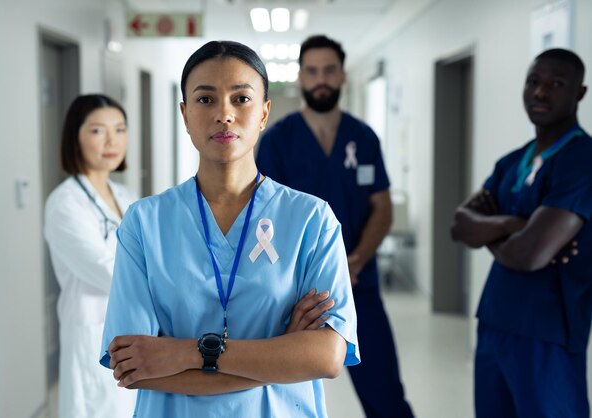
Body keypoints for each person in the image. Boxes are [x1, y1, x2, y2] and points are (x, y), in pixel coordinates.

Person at [99, 40, 360, 417]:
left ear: (264, 113)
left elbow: (327, 356)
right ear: (185, 114)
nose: (224, 113)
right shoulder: (144, 223)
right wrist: (281, 352)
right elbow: (133, 367)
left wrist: (182, 352)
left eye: (241, 99)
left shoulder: (311, 220)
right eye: (206, 100)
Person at [257, 35, 414, 418]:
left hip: (360, 284)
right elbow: (267, 217)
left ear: (342, 75)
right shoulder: (278, 141)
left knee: (386, 393)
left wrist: (354, 261)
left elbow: (382, 208)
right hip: (297, 295)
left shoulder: (363, 138)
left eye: (329, 70)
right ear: (300, 77)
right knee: (284, 396)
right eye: (312, 71)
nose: (320, 79)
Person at [451, 48, 591, 417]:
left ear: (579, 93)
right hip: (495, 320)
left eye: (556, 84)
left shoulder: (582, 161)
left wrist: (495, 233)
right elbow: (459, 225)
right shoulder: (512, 162)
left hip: (549, 332)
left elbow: (529, 256)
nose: (541, 93)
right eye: (533, 82)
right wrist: (518, 227)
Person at [44, 94, 137, 418]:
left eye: (120, 129)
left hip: (133, 331)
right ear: (75, 137)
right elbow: (107, 270)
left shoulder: (125, 196)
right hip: (92, 333)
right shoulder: (65, 203)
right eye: (98, 131)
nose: (112, 140)